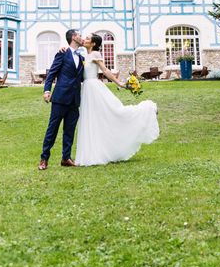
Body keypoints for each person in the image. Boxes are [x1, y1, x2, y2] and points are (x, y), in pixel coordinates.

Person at [75, 33, 159, 166]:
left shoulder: (95, 54)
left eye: (87, 38)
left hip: (94, 88)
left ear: (94, 44)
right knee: (92, 120)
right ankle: (93, 153)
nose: (84, 40)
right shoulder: (84, 55)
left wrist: (119, 83)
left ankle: (147, 109)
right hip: (86, 89)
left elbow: (105, 70)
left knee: (114, 113)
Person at [39, 29, 84, 170]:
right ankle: (44, 159)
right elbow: (52, 73)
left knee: (69, 130)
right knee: (52, 129)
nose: (82, 38)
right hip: (60, 98)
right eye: (80, 35)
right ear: (74, 37)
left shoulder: (82, 59)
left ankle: (66, 158)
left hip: (74, 100)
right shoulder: (62, 53)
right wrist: (47, 90)